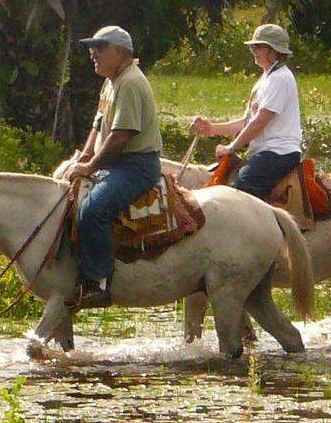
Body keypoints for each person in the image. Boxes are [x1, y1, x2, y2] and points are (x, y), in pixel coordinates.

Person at [61, 25, 164, 309]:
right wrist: (83, 155)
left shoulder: (130, 82)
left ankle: (99, 281)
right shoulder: (112, 80)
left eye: (99, 48)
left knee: (94, 210)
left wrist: (91, 166)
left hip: (135, 165)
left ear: (119, 52)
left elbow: (121, 135)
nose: (92, 54)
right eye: (92, 47)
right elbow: (99, 123)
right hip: (118, 162)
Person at [189, 23, 303, 198]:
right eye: (252, 46)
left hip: (278, 153)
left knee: (239, 192)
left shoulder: (280, 79)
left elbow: (259, 122)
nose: (253, 51)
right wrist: (211, 128)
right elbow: (247, 122)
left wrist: (232, 147)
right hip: (267, 153)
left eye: (258, 46)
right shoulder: (267, 78)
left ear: (273, 51)